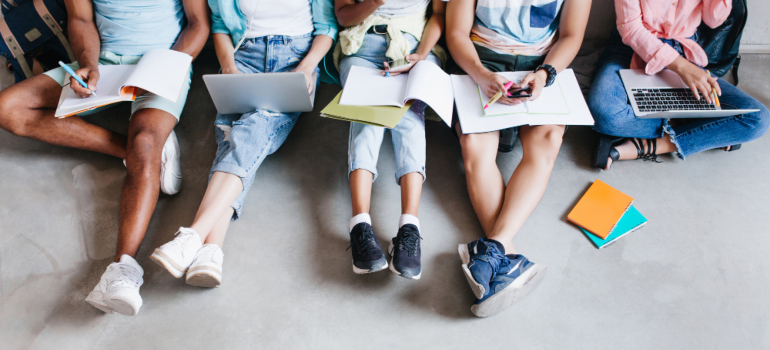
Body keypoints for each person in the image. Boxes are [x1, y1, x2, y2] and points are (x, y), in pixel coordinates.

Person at [0, 0, 209, 316]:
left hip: (165, 62)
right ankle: (139, 154)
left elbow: (198, 24)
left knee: (146, 144)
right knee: (8, 108)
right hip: (107, 64)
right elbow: (81, 19)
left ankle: (122, 270)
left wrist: (169, 66)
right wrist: (89, 64)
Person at [150, 0, 337, 290]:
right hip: (242, 58)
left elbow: (327, 27)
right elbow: (221, 26)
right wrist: (228, 67)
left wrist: (306, 67)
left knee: (252, 131)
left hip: (295, 58)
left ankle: (194, 235)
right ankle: (210, 252)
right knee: (230, 138)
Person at [445, 0, 591, 317]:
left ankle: (493, 249)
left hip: (543, 63)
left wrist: (545, 74)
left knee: (549, 139)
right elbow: (456, 33)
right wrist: (482, 75)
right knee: (475, 143)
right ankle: (506, 254)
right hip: (480, 60)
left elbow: (571, 35)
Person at [334, 0, 446, 279]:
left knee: (410, 119)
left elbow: (439, 14)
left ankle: (409, 227)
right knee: (367, 120)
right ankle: (360, 224)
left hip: (413, 46)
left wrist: (420, 54)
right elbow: (343, 16)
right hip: (362, 45)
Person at [588, 0, 770, 170]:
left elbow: (714, 20)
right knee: (606, 115)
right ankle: (707, 130)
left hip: (682, 50)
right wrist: (682, 67)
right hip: (629, 48)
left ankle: (649, 146)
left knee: (758, 119)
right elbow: (630, 28)